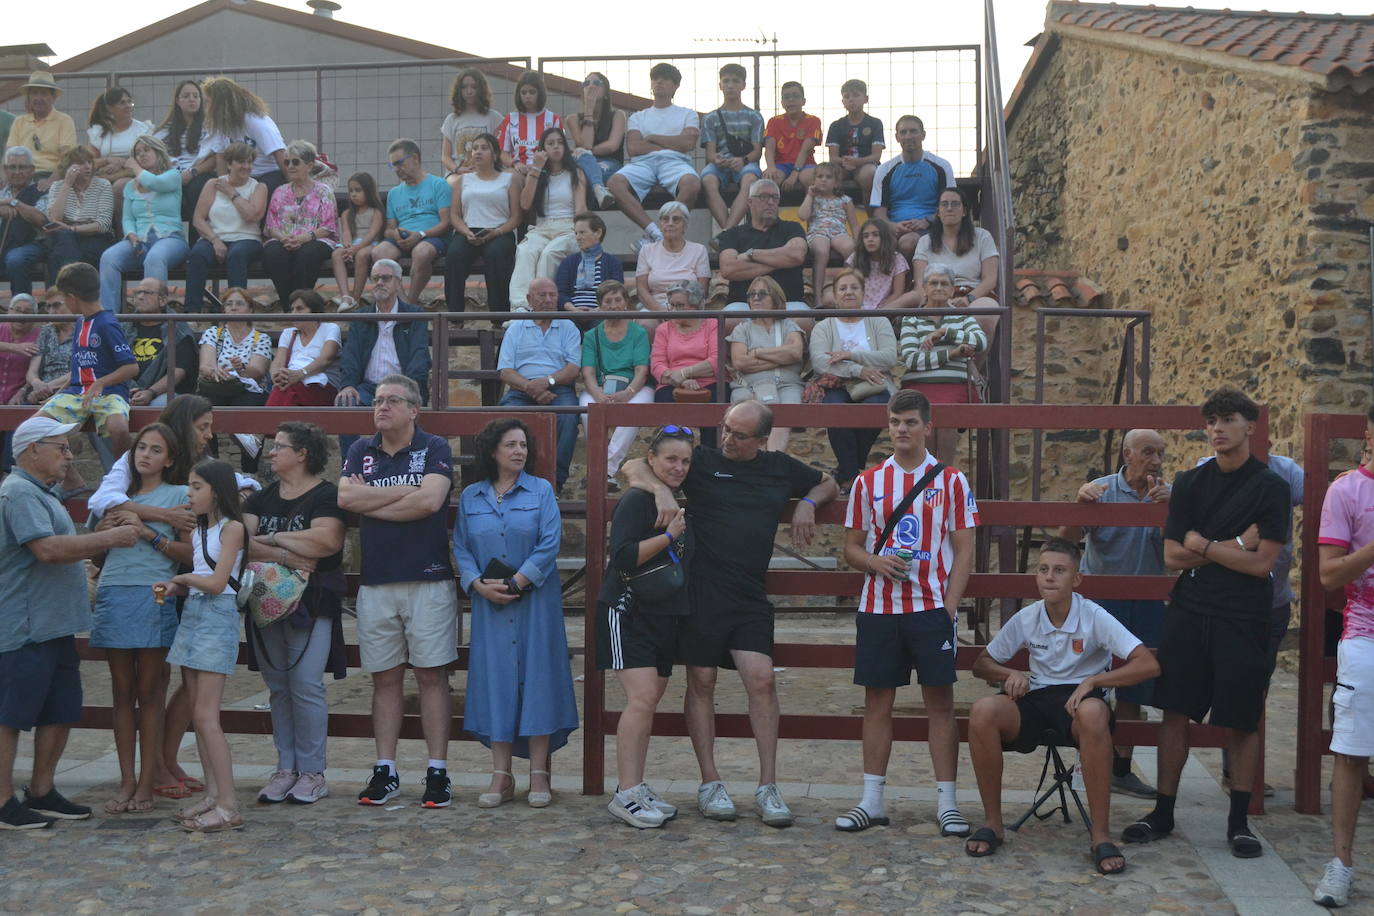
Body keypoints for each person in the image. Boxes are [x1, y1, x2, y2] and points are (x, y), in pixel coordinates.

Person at [621, 399, 839, 828]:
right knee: (701, 680)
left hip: (750, 595)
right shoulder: (702, 460)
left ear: (761, 439)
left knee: (761, 678)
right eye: (724, 429)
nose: (727, 439)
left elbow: (828, 481)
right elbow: (632, 465)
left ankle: (768, 786)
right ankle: (710, 781)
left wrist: (809, 502)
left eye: (738, 435)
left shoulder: (779, 466)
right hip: (703, 591)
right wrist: (662, 490)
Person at [1123, 388, 1291, 860]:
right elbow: (1173, 556)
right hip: (1190, 611)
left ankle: (1238, 823)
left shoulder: (1270, 487)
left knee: (1240, 719)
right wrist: (1235, 544)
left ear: (1249, 427)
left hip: (1245, 616)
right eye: (1212, 420)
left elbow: (1263, 566)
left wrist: (1205, 545)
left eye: (1228, 419)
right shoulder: (1191, 482)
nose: (1217, 428)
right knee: (1174, 711)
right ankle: (1163, 811)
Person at [965, 538, 1159, 874]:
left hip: (1081, 702)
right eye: (1043, 570)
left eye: (1059, 570)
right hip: (1037, 697)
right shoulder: (1029, 616)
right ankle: (993, 824)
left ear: (1076, 579)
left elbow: (1147, 664)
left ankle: (1100, 835)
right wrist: (1011, 672)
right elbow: (982, 664)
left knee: (1094, 712)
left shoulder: (1094, 616)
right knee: (983, 711)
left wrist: (1095, 682)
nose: (1049, 577)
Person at [834, 389, 976, 837]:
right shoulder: (868, 482)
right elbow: (851, 548)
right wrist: (874, 561)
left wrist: (949, 608)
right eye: (895, 421)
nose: (901, 429)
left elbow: (965, 548)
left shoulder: (951, 480)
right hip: (878, 608)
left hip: (930, 608)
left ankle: (947, 803)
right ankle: (872, 800)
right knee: (877, 702)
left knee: (941, 704)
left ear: (927, 427)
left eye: (910, 422)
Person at [0, 415, 139, 829]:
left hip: (53, 623)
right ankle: (3, 800)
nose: (68, 455)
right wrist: (107, 539)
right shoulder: (19, 493)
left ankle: (41, 790)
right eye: (60, 447)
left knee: (59, 709)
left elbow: (63, 542)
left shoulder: (41, 493)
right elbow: (47, 549)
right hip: (24, 624)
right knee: (11, 716)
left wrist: (99, 529)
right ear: (31, 450)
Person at [338, 374, 457, 809]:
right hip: (376, 582)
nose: (381, 407)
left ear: (414, 409)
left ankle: (437, 772)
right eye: (377, 400)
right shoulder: (359, 449)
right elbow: (345, 499)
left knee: (431, 676)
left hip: (427, 578)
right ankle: (385, 770)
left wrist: (375, 498)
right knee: (384, 679)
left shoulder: (435, 447)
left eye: (392, 400)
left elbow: (430, 503)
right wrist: (406, 492)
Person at [453, 418, 578, 808]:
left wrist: (518, 582)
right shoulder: (472, 497)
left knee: (538, 678)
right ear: (493, 451)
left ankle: (539, 773)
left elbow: (549, 542)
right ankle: (500, 774)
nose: (519, 451)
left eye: (523, 445)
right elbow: (460, 547)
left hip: (535, 603)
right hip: (490, 605)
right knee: (497, 682)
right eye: (511, 444)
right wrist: (475, 584)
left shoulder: (541, 491)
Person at [1056, 429, 1170, 799]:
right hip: (1102, 603)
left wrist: (1170, 512)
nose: (1156, 460)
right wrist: (1079, 503)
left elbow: (1180, 551)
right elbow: (1065, 541)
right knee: (1089, 681)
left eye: (1161, 454)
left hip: (1148, 599)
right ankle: (1084, 764)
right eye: (1148, 452)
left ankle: (1121, 769)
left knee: (1134, 686)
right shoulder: (1101, 490)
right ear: (1127, 454)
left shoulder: (1167, 495)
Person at [242, 421, 347, 807]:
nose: (272, 452)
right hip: (264, 603)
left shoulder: (325, 495)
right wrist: (288, 553)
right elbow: (239, 543)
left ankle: (313, 771)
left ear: (302, 454)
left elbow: (326, 542)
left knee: (305, 683)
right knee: (279, 687)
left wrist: (268, 539)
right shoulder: (261, 497)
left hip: (312, 603)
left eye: (280, 446)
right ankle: (286, 767)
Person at [90, 423, 191, 815]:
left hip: (155, 593)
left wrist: (147, 532)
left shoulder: (181, 496)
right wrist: (102, 532)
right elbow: (99, 553)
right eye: (141, 448)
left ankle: (148, 780)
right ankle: (126, 779)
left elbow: (190, 553)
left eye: (155, 449)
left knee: (150, 692)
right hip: (114, 591)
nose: (145, 455)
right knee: (120, 692)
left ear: (170, 459)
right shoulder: (116, 498)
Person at [598, 425, 695, 828]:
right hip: (628, 610)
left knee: (650, 698)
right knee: (640, 698)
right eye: (670, 459)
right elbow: (621, 557)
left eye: (685, 460)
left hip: (664, 613)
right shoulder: (638, 500)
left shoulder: (679, 495)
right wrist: (669, 536)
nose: (678, 467)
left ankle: (636, 786)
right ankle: (624, 793)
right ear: (652, 460)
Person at [155, 458, 248, 833]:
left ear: (216, 490)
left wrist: (182, 577)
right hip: (194, 614)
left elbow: (217, 582)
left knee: (208, 717)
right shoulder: (199, 532)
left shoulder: (233, 528)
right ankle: (213, 795)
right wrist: (178, 586)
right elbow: (202, 580)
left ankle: (228, 804)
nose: (190, 494)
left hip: (215, 616)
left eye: (196, 487)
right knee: (198, 714)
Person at [1312, 407, 1374, 907]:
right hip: (1365, 637)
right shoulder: (1347, 491)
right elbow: (1330, 576)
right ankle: (1341, 864)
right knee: (1351, 752)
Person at [38, 262, 137, 465]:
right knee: (33, 427)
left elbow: (131, 367)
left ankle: (123, 477)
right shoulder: (80, 323)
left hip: (109, 393)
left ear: (72, 298)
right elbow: (78, 369)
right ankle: (70, 480)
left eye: (63, 298)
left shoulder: (107, 324)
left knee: (118, 428)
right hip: (77, 393)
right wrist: (56, 396)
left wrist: (100, 382)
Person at [809, 269, 897, 490]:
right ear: (835, 296)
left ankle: (847, 472)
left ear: (863, 293)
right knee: (835, 409)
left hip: (874, 383)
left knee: (875, 409)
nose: (849, 292)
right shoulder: (824, 326)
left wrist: (850, 355)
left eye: (854, 287)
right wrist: (858, 370)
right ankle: (852, 475)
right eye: (843, 288)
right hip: (838, 383)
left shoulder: (879, 321)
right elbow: (820, 362)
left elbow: (889, 357)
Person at [334, 259, 432, 456]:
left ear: (398, 283)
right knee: (345, 405)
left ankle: (402, 468)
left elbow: (419, 356)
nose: (379, 282)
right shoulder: (361, 316)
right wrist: (347, 385)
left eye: (385, 278)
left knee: (402, 410)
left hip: (404, 385)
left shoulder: (414, 315)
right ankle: (351, 471)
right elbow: (350, 356)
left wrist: (409, 388)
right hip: (369, 388)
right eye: (375, 278)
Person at [497, 277, 581, 494]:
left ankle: (555, 483)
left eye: (552, 295)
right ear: (529, 299)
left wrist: (547, 382)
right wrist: (530, 388)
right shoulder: (516, 328)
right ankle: (511, 480)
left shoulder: (568, 326)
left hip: (559, 389)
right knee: (506, 420)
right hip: (520, 390)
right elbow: (505, 372)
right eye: (542, 295)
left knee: (569, 416)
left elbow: (573, 369)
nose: (548, 300)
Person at [897, 264, 987, 463]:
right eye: (933, 283)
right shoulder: (912, 318)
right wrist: (951, 353)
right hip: (918, 386)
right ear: (924, 289)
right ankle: (926, 477)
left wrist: (946, 332)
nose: (939, 287)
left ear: (953, 289)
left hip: (955, 385)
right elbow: (911, 359)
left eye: (944, 283)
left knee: (946, 417)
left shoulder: (963, 316)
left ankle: (943, 476)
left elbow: (980, 342)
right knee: (923, 418)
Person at [606, 63, 701, 248]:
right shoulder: (637, 116)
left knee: (692, 183)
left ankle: (657, 235)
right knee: (614, 183)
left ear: (675, 86)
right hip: (643, 164)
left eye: (665, 78)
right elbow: (633, 148)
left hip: (675, 163)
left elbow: (688, 144)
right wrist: (673, 143)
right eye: (655, 78)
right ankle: (655, 233)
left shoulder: (688, 114)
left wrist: (653, 138)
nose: (659, 81)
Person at [97, 135, 188, 314]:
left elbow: (155, 183)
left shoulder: (173, 176)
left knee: (155, 258)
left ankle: (151, 315)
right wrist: (130, 233)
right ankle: (107, 316)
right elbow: (128, 218)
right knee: (108, 257)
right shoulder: (131, 186)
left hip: (170, 238)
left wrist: (135, 167)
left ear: (158, 152)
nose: (141, 155)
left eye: (146, 150)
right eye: (137, 153)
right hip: (139, 241)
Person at [580, 280, 653, 486]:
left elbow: (642, 371)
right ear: (600, 305)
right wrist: (598, 395)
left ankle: (604, 470)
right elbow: (588, 372)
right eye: (608, 301)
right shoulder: (591, 335)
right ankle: (605, 471)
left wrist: (628, 393)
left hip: (634, 387)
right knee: (587, 408)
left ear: (626, 302)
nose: (613, 305)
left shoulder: (637, 332)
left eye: (618, 300)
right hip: (602, 386)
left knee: (636, 409)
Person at [183, 142, 268, 314]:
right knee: (197, 255)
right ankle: (191, 314)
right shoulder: (213, 184)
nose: (246, 166)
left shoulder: (258, 187)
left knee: (236, 256)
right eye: (241, 162)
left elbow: (252, 215)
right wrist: (215, 240)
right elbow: (198, 219)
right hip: (215, 237)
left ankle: (237, 313)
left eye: (249, 162)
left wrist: (231, 192)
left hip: (247, 239)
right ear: (229, 164)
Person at [726, 276, 806, 452]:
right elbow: (740, 362)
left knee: (784, 417)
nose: (755, 298)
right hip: (751, 387)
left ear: (775, 298)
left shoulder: (788, 325)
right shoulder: (742, 328)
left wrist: (757, 353)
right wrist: (780, 357)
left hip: (788, 385)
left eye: (762, 294)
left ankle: (772, 462)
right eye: (751, 294)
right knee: (755, 422)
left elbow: (795, 353)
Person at [911, 187, 1000, 342]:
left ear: (964, 211)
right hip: (936, 293)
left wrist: (968, 299)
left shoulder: (982, 237)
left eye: (955, 204)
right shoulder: (925, 241)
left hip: (974, 294)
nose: (950, 208)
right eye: (944, 204)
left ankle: (971, 366)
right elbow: (920, 283)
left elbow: (990, 279)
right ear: (938, 212)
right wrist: (937, 299)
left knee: (986, 314)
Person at [196, 287, 273, 468]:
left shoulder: (261, 338)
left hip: (247, 388)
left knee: (249, 410)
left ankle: (249, 469)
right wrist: (215, 372)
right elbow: (205, 365)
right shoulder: (213, 333)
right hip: (217, 386)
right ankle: (210, 464)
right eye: (229, 304)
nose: (233, 307)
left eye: (239, 304)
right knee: (202, 409)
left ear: (250, 309)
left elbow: (258, 370)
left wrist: (241, 370)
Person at [509, 127, 584, 311]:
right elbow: (525, 204)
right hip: (542, 227)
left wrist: (581, 231)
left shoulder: (576, 173)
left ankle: (544, 306)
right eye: (550, 144)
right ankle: (520, 307)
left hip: (568, 228)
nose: (556, 147)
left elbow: (581, 209)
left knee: (549, 254)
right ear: (543, 149)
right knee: (525, 251)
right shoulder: (537, 173)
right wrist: (536, 168)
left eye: (560, 143)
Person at [443, 131, 518, 312]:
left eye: (484, 148)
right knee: (454, 256)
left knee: (495, 255)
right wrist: (465, 231)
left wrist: (496, 232)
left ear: (495, 155)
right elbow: (454, 215)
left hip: (499, 231)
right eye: (475, 148)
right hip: (468, 230)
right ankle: (455, 316)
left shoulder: (509, 179)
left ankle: (499, 316)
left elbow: (516, 217)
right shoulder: (462, 180)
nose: (477, 152)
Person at [717, 180, 810, 325]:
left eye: (775, 197)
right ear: (750, 202)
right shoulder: (732, 234)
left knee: (803, 320)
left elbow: (796, 255)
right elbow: (728, 269)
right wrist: (782, 262)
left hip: (789, 303)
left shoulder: (792, 228)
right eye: (764, 197)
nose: (771, 202)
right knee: (726, 323)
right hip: (743, 305)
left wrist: (751, 254)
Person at [372, 138, 451, 304]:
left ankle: (410, 303)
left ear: (414, 158)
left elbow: (446, 223)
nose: (396, 169)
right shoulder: (394, 193)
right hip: (403, 238)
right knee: (379, 252)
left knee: (421, 252)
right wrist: (395, 234)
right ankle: (403, 304)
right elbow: (389, 229)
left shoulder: (438, 184)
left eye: (399, 163)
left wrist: (420, 234)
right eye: (392, 165)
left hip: (431, 237)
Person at [261, 139, 339, 307]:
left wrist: (303, 238)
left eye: (295, 162)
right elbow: (271, 225)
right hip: (284, 240)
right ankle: (287, 306)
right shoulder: (280, 191)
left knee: (307, 255)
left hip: (316, 239)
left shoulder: (323, 191)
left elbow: (327, 227)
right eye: (287, 162)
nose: (290, 166)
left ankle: (303, 304)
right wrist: (283, 239)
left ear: (309, 166)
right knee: (273, 253)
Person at [871, 115, 956, 260]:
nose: (908, 136)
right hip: (895, 227)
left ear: (923, 135)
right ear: (897, 137)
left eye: (913, 131)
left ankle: (909, 283)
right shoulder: (885, 170)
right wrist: (892, 226)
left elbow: (951, 204)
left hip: (930, 226)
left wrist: (927, 221)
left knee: (907, 243)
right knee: (873, 244)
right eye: (903, 132)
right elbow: (879, 212)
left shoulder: (941, 166)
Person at [650, 279, 719, 448]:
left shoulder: (712, 324)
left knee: (716, 407)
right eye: (671, 305)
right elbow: (657, 365)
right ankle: (674, 456)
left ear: (696, 305)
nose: (674, 310)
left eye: (680, 305)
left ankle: (710, 459)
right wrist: (681, 380)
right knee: (666, 404)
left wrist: (684, 373)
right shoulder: (663, 329)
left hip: (709, 382)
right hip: (672, 383)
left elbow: (716, 361)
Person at [699, 63, 765, 230]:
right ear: (720, 85)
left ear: (743, 85)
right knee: (707, 180)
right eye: (726, 81)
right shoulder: (710, 118)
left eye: (735, 81)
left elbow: (757, 151)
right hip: (719, 164)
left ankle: (726, 232)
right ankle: (729, 231)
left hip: (745, 163)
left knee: (750, 179)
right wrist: (716, 159)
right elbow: (710, 153)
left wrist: (743, 160)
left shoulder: (754, 116)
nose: (730, 85)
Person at [200, 77, 287, 195]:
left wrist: (292, 185)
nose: (205, 107)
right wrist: (224, 183)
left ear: (219, 104)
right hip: (238, 175)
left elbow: (279, 153)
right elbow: (220, 156)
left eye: (208, 102)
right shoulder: (223, 124)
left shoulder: (255, 122)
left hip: (265, 174)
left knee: (262, 190)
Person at [43, 147, 115, 285]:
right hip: (64, 238)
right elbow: (54, 219)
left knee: (56, 256)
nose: (87, 166)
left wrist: (71, 229)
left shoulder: (102, 185)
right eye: (81, 163)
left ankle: (63, 295)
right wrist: (67, 185)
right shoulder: (57, 186)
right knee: (62, 240)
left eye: (89, 162)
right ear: (68, 167)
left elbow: (103, 224)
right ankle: (75, 291)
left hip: (95, 237)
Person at [123, 277, 197, 407]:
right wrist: (128, 388)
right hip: (126, 388)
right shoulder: (123, 328)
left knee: (160, 404)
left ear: (162, 301)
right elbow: (113, 365)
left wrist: (150, 392)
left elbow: (178, 371)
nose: (140, 297)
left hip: (163, 393)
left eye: (147, 293)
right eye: (138, 293)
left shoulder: (178, 330)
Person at [152, 80, 216, 225]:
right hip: (173, 174)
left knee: (197, 187)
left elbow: (214, 158)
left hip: (199, 173)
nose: (191, 99)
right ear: (177, 101)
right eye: (186, 96)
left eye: (195, 96)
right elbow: (153, 153)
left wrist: (192, 172)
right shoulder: (165, 130)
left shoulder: (210, 127)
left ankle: (196, 241)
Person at [266, 290, 341, 407]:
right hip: (291, 383)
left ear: (314, 311)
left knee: (288, 390)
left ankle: (271, 421)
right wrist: (277, 376)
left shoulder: (330, 328)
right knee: (285, 388)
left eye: (299, 309)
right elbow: (278, 361)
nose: (294, 314)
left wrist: (300, 374)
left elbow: (325, 359)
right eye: (292, 309)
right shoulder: (288, 333)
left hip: (322, 384)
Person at [85, 86, 153, 212]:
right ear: (110, 108)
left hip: (135, 174)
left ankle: (122, 231)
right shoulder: (100, 132)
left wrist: (122, 164)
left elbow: (150, 161)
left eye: (129, 102)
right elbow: (87, 162)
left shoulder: (142, 130)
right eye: (122, 103)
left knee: (119, 186)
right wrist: (108, 160)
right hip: (106, 175)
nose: (127, 105)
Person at [635, 202, 711, 313]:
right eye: (665, 219)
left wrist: (681, 309)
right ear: (660, 225)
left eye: (676, 219)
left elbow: (702, 289)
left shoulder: (699, 250)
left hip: (689, 308)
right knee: (646, 323)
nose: (670, 223)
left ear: (685, 226)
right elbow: (641, 289)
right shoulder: (647, 250)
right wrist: (659, 310)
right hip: (655, 307)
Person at [6, 72, 78, 187]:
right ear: (29, 97)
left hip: (49, 175)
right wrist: (3, 179)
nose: (39, 98)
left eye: (44, 94)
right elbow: (9, 155)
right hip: (19, 175)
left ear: (53, 97)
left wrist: (50, 181)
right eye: (34, 93)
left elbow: (67, 158)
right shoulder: (19, 121)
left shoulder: (64, 120)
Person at [799, 162, 858, 302]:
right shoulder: (813, 199)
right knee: (822, 251)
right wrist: (809, 196)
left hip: (838, 231)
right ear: (814, 181)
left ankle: (846, 290)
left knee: (850, 248)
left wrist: (858, 241)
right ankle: (818, 297)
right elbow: (802, 215)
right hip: (817, 231)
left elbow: (854, 225)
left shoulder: (845, 200)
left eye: (828, 177)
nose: (823, 179)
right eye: (819, 176)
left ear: (836, 182)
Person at [566, 72, 625, 208]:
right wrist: (588, 110)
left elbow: (612, 146)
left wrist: (585, 152)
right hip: (584, 163)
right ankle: (599, 189)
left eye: (596, 83)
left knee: (584, 160)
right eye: (586, 83)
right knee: (583, 164)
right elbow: (586, 144)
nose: (591, 86)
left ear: (606, 92)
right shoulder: (573, 119)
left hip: (611, 162)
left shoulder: (618, 115)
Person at [825, 79, 885, 208]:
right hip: (843, 165)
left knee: (868, 174)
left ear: (866, 99)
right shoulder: (836, 125)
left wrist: (858, 162)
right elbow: (833, 158)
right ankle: (833, 213)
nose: (851, 99)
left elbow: (876, 156)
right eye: (847, 97)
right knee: (828, 175)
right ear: (843, 102)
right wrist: (846, 162)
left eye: (856, 95)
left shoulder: (875, 123)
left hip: (866, 165)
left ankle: (871, 217)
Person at [439, 68, 504, 187]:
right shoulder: (451, 120)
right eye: (464, 87)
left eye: (474, 87)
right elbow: (445, 156)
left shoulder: (494, 118)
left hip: (486, 173)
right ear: (459, 90)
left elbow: (500, 152)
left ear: (481, 89)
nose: (469, 91)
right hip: (456, 174)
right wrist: (457, 169)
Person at [330, 172, 384, 310]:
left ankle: (356, 297)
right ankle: (345, 295)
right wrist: (348, 247)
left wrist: (356, 249)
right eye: (351, 191)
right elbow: (346, 232)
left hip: (370, 244)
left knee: (362, 255)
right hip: (353, 244)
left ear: (369, 191)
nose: (353, 194)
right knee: (337, 254)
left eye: (358, 190)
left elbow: (372, 234)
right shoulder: (347, 214)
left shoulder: (376, 212)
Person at [497, 70, 563, 181]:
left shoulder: (553, 119)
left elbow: (560, 150)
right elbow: (502, 152)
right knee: (512, 179)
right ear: (519, 94)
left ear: (540, 93)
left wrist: (537, 166)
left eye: (532, 92)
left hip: (546, 169)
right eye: (523, 92)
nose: (527, 96)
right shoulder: (510, 119)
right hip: (519, 170)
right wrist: (515, 163)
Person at [0, 294, 40, 473]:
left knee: (17, 416)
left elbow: (36, 371)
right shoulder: (1, 328)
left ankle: (9, 472)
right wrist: (15, 347)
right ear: (9, 311)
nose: (21, 316)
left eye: (27, 313)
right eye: (17, 310)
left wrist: (22, 390)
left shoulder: (38, 335)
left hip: (17, 395)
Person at [554, 212, 624, 313]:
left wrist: (597, 311)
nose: (578, 237)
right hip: (572, 314)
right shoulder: (568, 262)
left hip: (602, 314)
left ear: (598, 233)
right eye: (576, 233)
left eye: (582, 232)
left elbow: (616, 292)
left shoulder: (613, 262)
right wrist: (574, 310)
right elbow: (560, 294)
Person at [1, 147, 48, 296]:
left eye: (22, 167)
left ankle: (21, 311)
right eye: (12, 167)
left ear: (32, 169)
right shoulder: (1, 193)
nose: (16, 172)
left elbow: (41, 219)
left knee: (16, 259)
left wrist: (14, 202)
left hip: (35, 244)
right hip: (4, 244)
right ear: (5, 169)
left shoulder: (41, 190)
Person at [762, 82, 821, 193]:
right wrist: (770, 167)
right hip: (780, 165)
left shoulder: (813, 120)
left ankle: (817, 209)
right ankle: (768, 210)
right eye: (786, 97)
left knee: (809, 178)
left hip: (806, 164)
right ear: (782, 103)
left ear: (804, 101)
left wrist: (794, 174)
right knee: (768, 182)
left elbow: (805, 151)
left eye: (796, 96)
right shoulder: (774, 121)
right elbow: (769, 149)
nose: (791, 100)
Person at [23, 290, 75, 407]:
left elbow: (80, 371)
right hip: (41, 392)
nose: (51, 311)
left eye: (56, 305)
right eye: (49, 306)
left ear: (70, 303)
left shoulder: (83, 330)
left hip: (70, 390)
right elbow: (32, 371)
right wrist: (36, 383)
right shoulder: (46, 331)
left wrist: (46, 388)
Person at [846, 218, 909, 310]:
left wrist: (880, 309)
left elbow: (898, 292)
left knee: (912, 297)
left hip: (886, 308)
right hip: (858, 306)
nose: (870, 239)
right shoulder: (855, 257)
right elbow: (849, 286)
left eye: (875, 235)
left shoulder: (897, 259)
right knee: (829, 298)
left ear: (884, 237)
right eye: (866, 236)